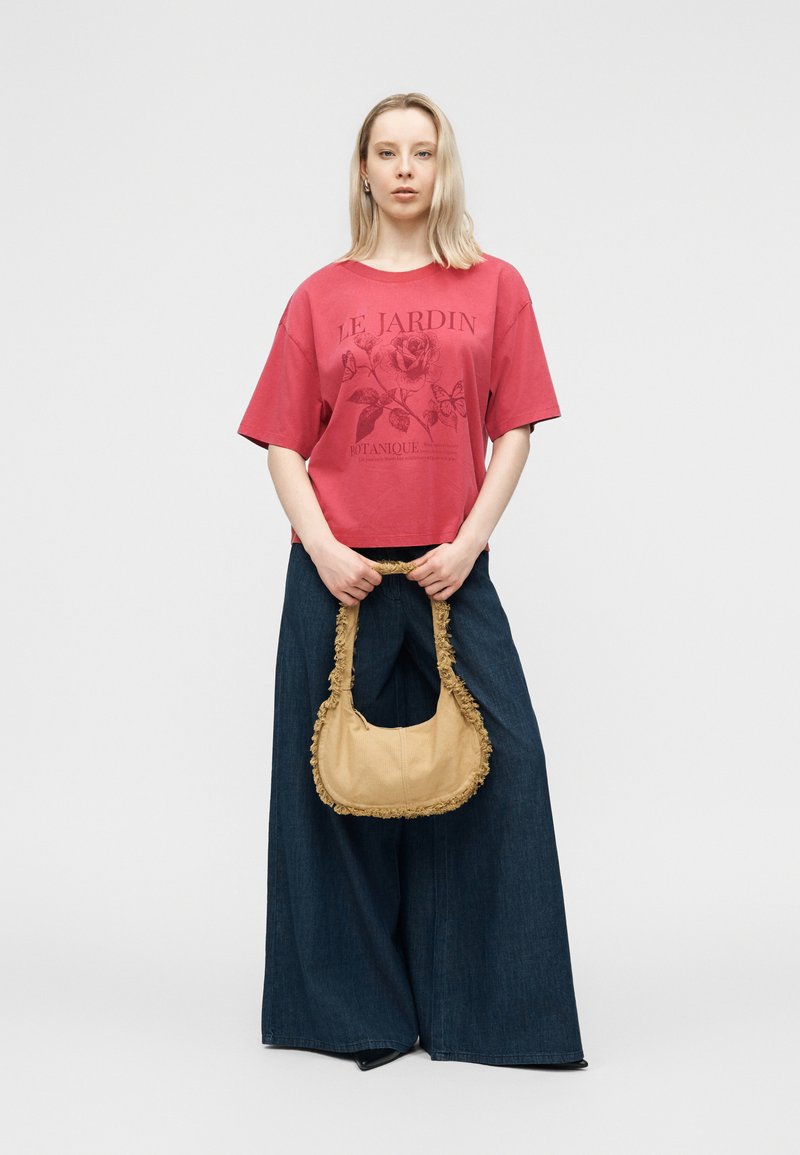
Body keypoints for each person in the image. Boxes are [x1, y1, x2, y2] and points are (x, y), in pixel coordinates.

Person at [237, 92, 589, 1071]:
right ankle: (354, 1016)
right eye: (386, 152)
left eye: (421, 152)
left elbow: (514, 429)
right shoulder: (319, 296)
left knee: (500, 772)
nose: (403, 169)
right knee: (327, 787)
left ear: (443, 167)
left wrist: (469, 543)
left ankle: (491, 1016)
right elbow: (281, 441)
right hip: (336, 574)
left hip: (449, 570)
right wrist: (322, 549)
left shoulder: (495, 285)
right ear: (362, 170)